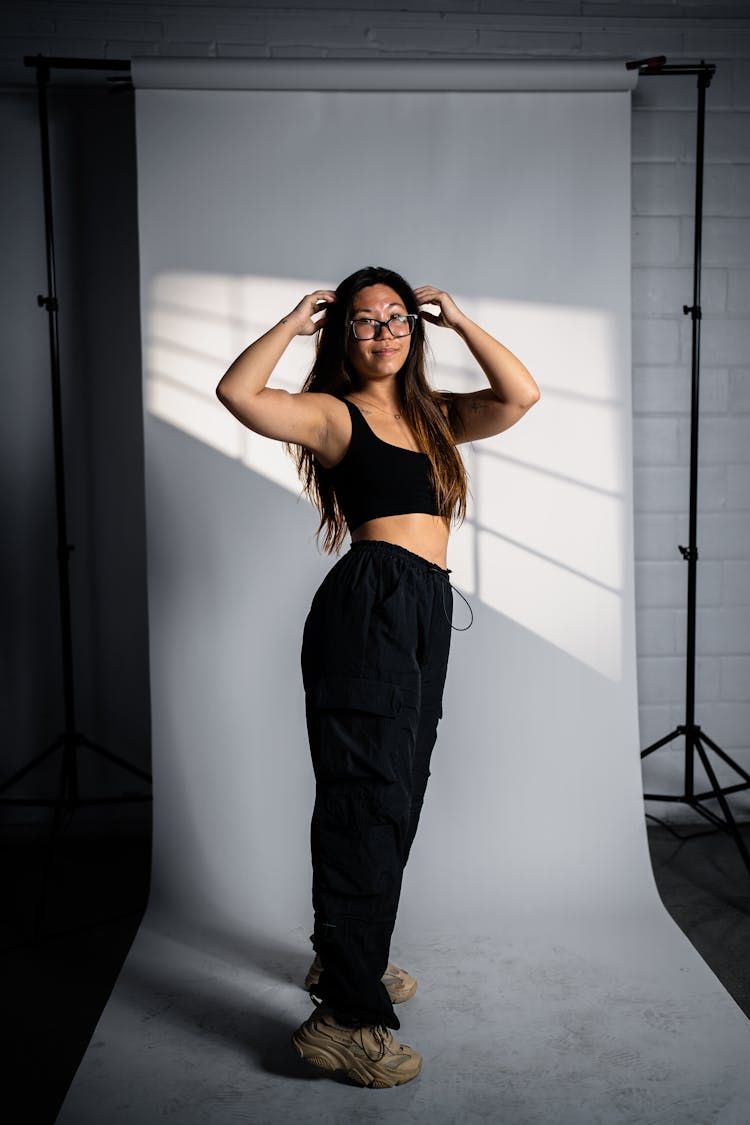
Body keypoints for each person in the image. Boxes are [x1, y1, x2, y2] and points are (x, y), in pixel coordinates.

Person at [216, 265, 539, 1088]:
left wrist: (461, 320)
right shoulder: (335, 414)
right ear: (341, 336)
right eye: (363, 320)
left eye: (397, 316)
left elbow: (521, 394)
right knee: (368, 795)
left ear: (415, 329)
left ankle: (342, 961)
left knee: (395, 791)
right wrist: (293, 322)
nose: (385, 330)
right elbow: (239, 393)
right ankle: (347, 1020)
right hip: (372, 607)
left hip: (425, 609)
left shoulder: (433, 419)